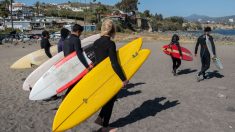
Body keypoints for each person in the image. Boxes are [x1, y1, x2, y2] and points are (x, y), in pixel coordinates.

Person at [93, 19, 129, 132]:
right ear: (113, 30)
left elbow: (96, 61)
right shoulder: (110, 43)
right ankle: (105, 127)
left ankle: (100, 118)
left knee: (108, 99)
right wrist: (123, 79)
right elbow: (114, 63)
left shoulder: (96, 42)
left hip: (99, 75)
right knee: (110, 100)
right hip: (109, 76)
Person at [62, 24, 93, 97]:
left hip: (67, 63)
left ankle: (68, 96)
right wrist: (87, 66)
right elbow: (79, 54)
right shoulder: (76, 39)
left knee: (73, 82)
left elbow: (65, 53)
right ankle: (67, 96)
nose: (80, 34)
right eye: (80, 33)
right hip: (74, 64)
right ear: (78, 31)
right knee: (77, 82)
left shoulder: (66, 39)